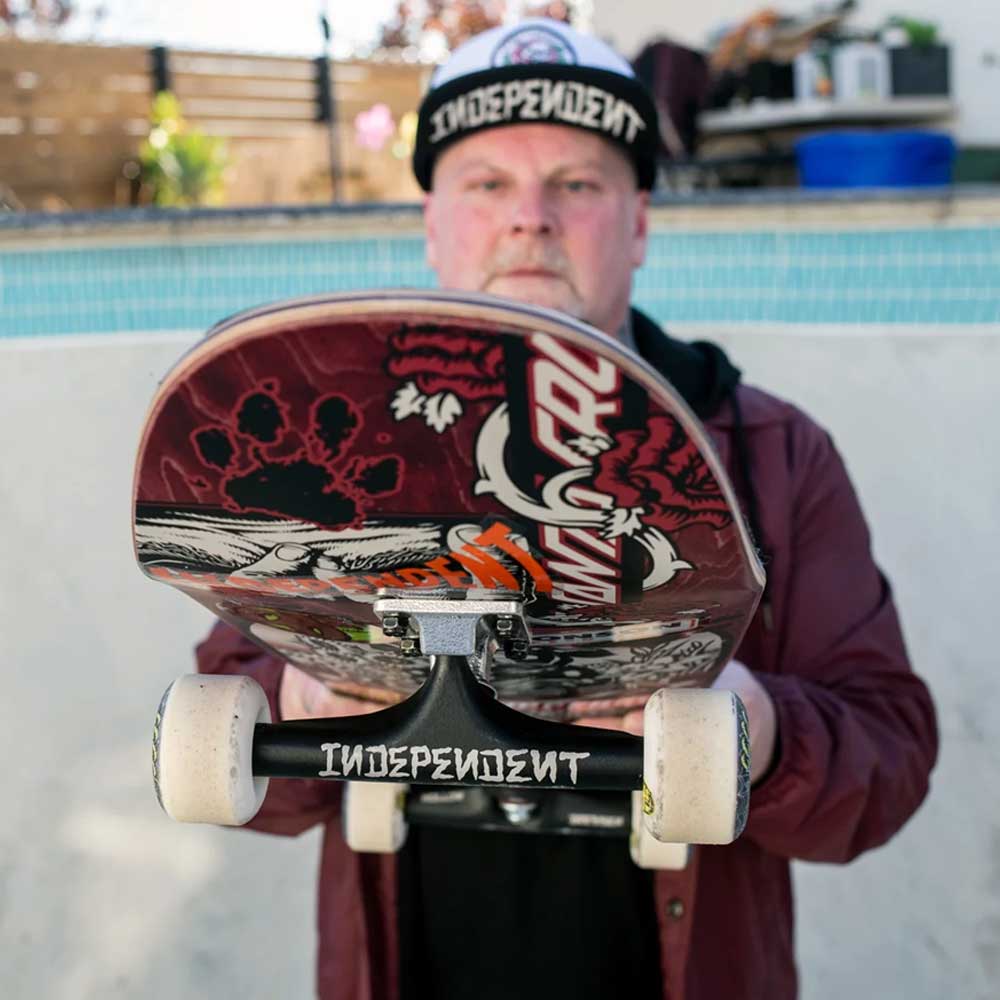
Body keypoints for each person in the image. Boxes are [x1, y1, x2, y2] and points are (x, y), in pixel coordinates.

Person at [197, 18, 938, 1000]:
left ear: (637, 223)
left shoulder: (775, 452)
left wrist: (758, 729)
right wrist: (303, 698)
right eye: (488, 182)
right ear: (433, 222)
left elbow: (886, 761)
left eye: (577, 184)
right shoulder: (336, 453)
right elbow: (238, 754)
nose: (530, 217)